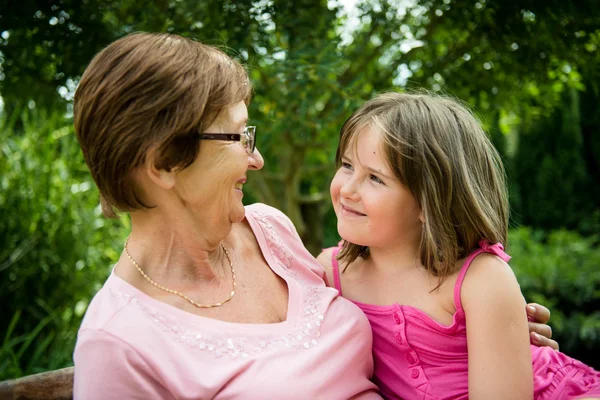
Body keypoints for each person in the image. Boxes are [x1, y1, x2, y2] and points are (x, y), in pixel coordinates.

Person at [72, 32, 554, 399]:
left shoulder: (268, 230)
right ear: (163, 163)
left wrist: (484, 328)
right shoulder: (117, 342)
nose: (256, 159)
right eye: (239, 137)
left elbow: (392, 298)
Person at [318, 92, 600, 400]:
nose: (347, 189)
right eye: (347, 165)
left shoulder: (480, 281)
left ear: (429, 201)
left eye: (375, 178)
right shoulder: (330, 274)